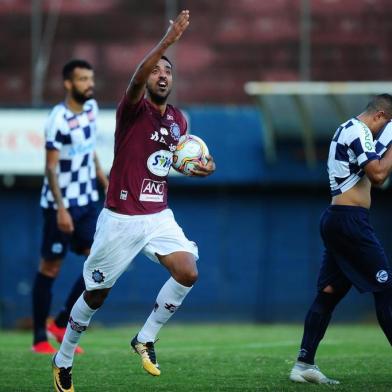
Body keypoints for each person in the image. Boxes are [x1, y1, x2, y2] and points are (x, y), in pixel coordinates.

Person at [52, 10, 215, 391]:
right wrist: (167, 41)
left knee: (188, 271)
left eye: (168, 71)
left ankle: (145, 338)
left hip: (159, 215)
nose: (162, 75)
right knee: (96, 295)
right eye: (156, 69)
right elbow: (137, 77)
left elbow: (183, 157)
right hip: (121, 218)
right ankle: (62, 360)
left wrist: (204, 166)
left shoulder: (178, 121)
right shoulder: (132, 110)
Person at [289, 94, 392, 384]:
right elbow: (379, 175)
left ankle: (303, 365)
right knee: (386, 289)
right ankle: (303, 363)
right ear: (380, 116)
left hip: (340, 221)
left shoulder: (351, 129)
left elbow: (372, 163)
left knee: (328, 294)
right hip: (350, 222)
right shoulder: (358, 131)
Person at [32, 59, 108, 355]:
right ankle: (39, 336)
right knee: (51, 266)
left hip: (88, 200)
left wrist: (101, 175)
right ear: (68, 84)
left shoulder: (91, 108)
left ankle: (62, 322)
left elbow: (89, 149)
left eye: (91, 78)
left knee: (100, 261)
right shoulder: (58, 119)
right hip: (59, 205)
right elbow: (50, 169)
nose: (89, 84)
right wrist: (61, 209)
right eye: (82, 79)